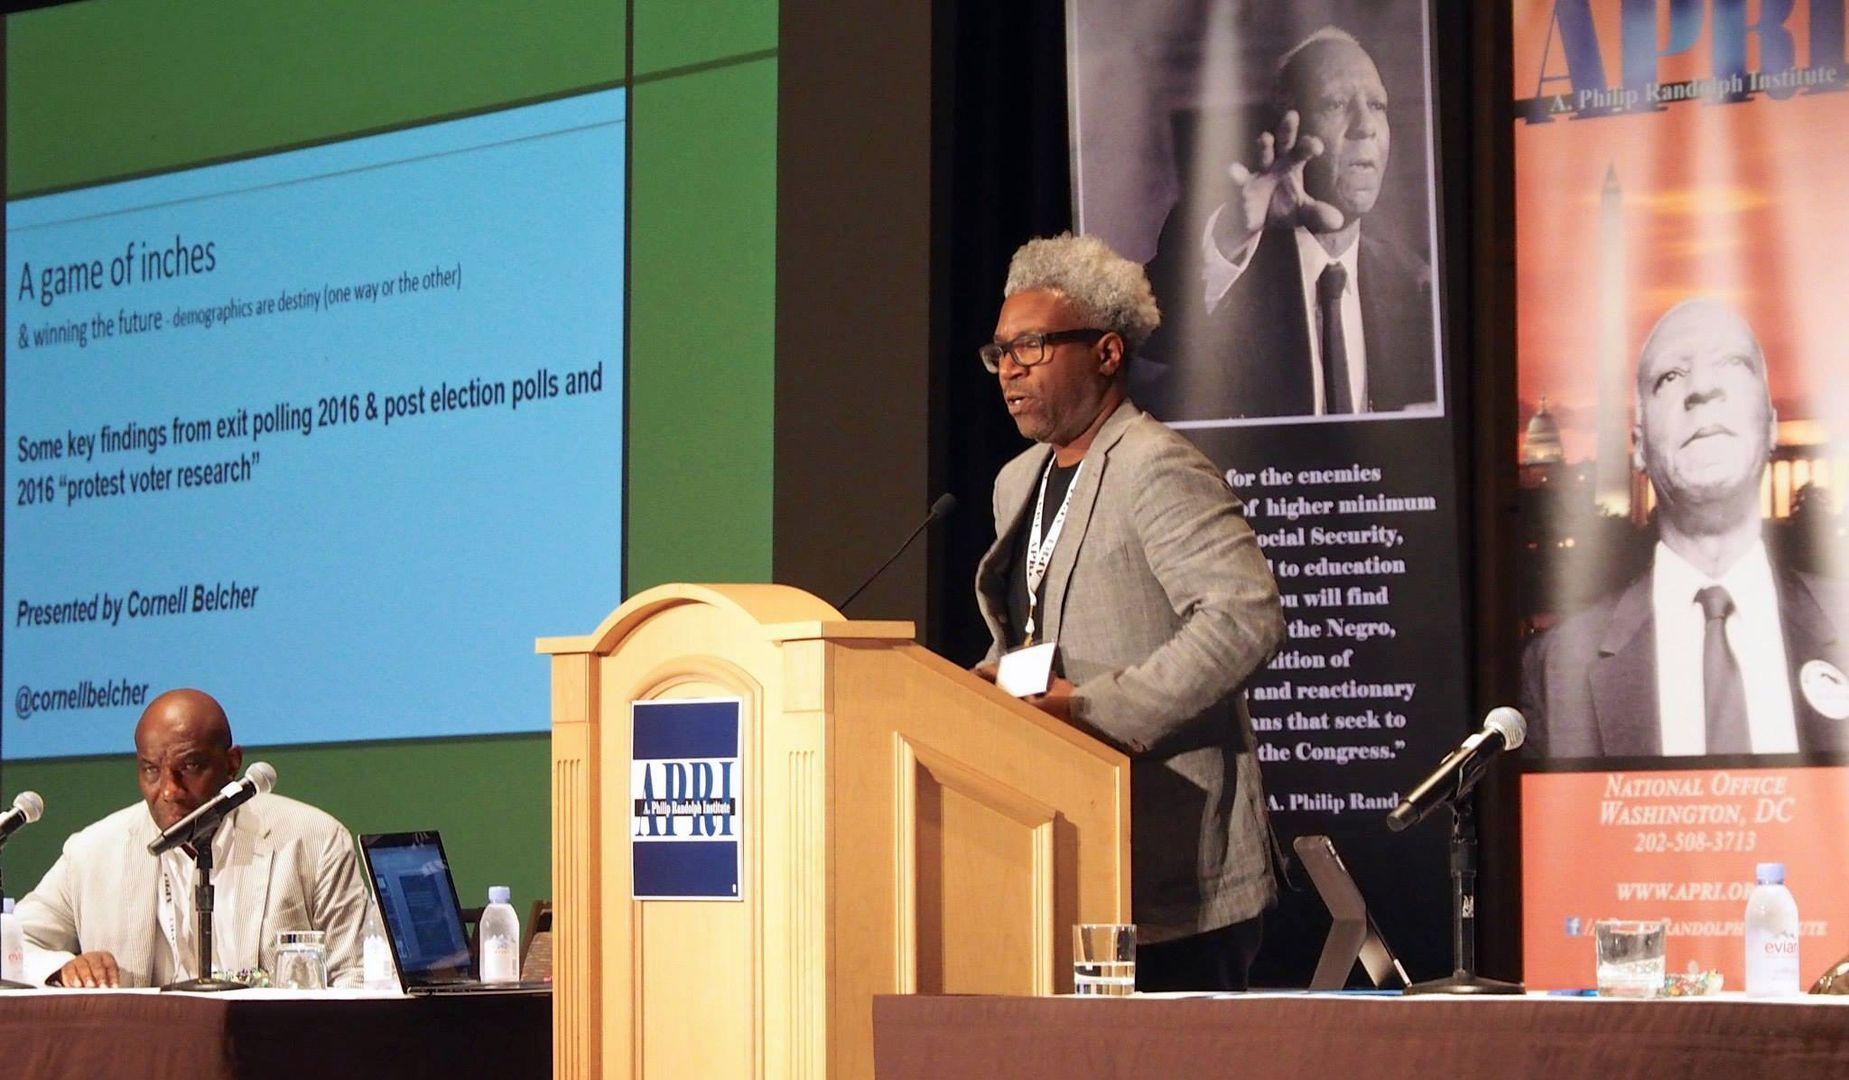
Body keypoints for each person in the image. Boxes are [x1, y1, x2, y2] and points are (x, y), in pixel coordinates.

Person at [974, 233, 1284, 989]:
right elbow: (1032, 633)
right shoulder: (1018, 481)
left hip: (1170, 861)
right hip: (1056, 846)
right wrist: (975, 690)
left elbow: (1243, 618)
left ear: (1107, 353)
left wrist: (1089, 709)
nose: (1009, 368)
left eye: (1032, 347)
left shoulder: (1158, 466)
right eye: (1000, 351)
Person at [1523, 299, 1849, 758]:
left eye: (1732, 365)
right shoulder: (1556, 669)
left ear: (1772, 425)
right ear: (1638, 446)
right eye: (1670, 377)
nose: (1703, 389)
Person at [1137, 26, 1437, 420]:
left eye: (1377, 105)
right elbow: (1147, 331)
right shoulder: (1227, 246)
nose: (1366, 125)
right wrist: (1233, 235)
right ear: (1287, 130)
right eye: (1334, 104)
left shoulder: (1415, 284)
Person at [16, 688, 371, 987]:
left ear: (232, 763)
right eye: (151, 770)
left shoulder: (313, 840)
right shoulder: (93, 851)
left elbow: (356, 974)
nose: (169, 790)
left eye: (189, 767)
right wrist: (61, 968)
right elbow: (14, 943)